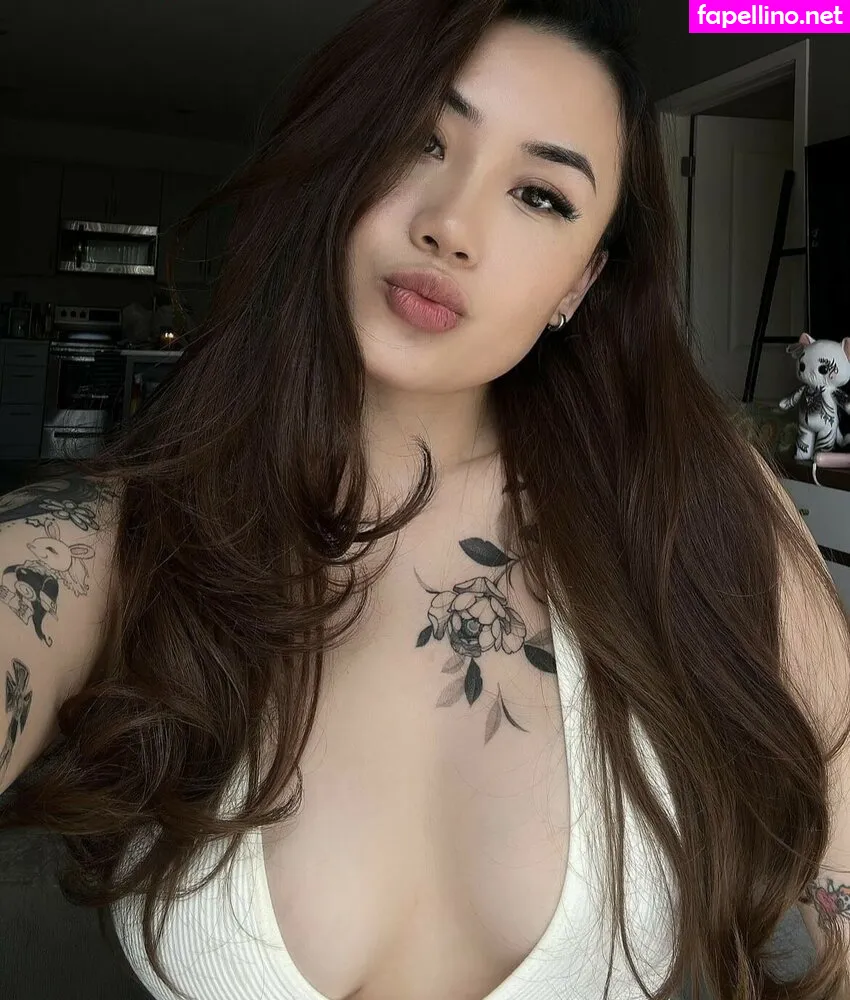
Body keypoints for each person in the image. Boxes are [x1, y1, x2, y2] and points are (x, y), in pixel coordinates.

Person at [2, 0, 850, 998]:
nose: (450, 225)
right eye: (419, 140)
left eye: (539, 195)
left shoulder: (698, 505)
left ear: (579, 284)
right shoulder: (114, 540)